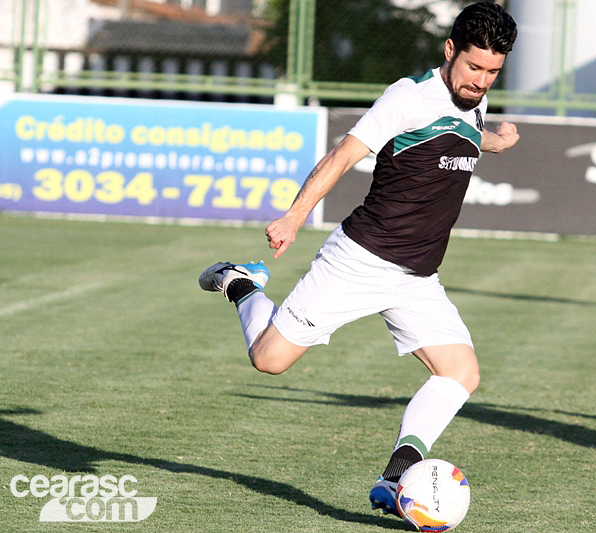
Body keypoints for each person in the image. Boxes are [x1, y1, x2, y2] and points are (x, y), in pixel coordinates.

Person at [198, 2, 518, 517]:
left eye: (492, 72)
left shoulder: (473, 99)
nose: (480, 81)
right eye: (474, 68)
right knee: (269, 360)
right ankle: (240, 283)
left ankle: (393, 480)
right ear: (450, 49)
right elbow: (342, 155)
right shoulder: (408, 96)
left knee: (460, 373)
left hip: (416, 276)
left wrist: (497, 142)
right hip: (360, 259)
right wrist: (294, 218)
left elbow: (462, 132)